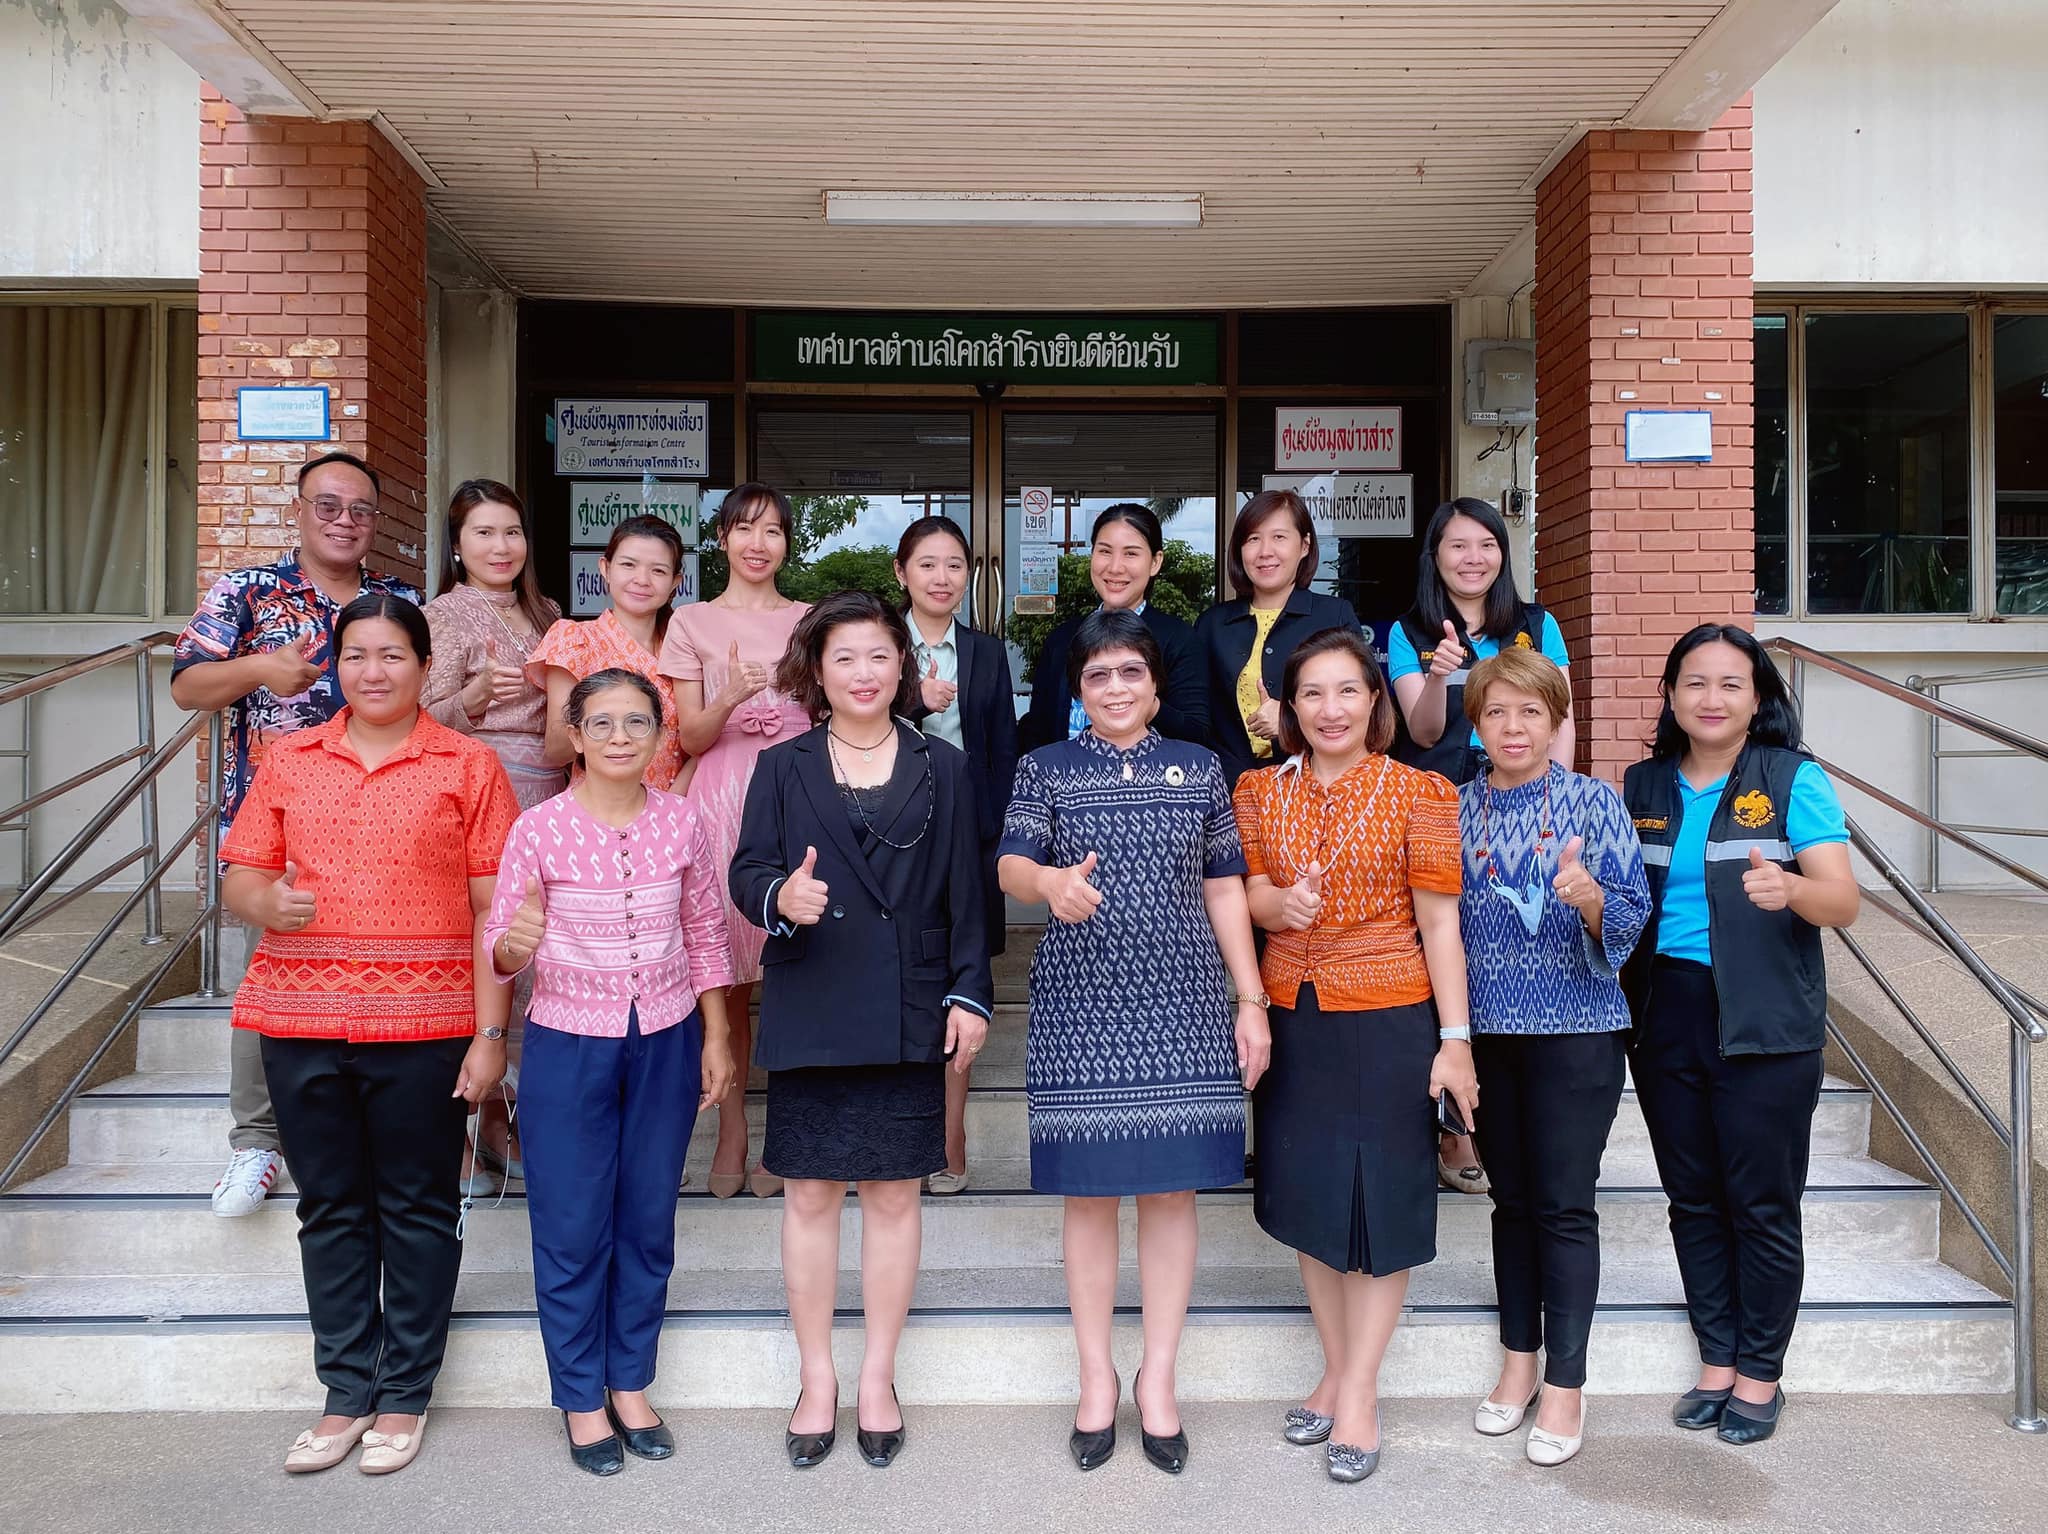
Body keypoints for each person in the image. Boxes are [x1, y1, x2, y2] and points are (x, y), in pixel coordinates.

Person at [220, 593, 518, 1477]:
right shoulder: (289, 757)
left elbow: (490, 914)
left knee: (420, 1209)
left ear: (426, 668)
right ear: (336, 663)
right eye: (356, 655)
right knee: (330, 1208)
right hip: (299, 1017)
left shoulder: (467, 766)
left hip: (427, 1027)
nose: (373, 672)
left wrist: (490, 1036)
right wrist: (262, 900)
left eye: (392, 655)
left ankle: (404, 1395)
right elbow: (242, 875)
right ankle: (346, 1390)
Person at [999, 609, 1270, 1477]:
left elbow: (1226, 888)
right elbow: (1009, 864)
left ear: (1156, 685)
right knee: (1088, 1199)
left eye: (1130, 674)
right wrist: (1046, 881)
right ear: (1078, 691)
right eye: (1097, 676)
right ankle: (1094, 1380)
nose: (1115, 689)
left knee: (1171, 1197)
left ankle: (1158, 1380)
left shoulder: (1200, 771)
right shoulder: (1044, 769)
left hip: (1187, 1001)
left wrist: (1250, 999)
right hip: (1083, 1005)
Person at [729, 592, 993, 1470]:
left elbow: (967, 892)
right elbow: (747, 870)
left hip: (911, 1001)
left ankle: (876, 1376)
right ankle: (816, 1378)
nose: (865, 673)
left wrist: (969, 992)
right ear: (817, 670)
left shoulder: (941, 765)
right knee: (808, 1194)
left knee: (892, 1196)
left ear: (904, 668)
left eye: (881, 656)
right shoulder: (783, 765)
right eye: (845, 658)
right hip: (814, 995)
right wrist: (781, 899)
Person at [1231, 627, 1474, 1484]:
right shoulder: (1258, 789)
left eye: (1347, 691)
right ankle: (1334, 1369)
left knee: (1379, 1207)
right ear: (1288, 709)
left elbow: (1441, 923)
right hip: (1294, 1016)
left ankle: (1361, 1392)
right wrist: (1273, 907)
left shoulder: (1422, 791)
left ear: (1376, 701)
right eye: (1311, 694)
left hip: (1390, 1014)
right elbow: (1246, 890)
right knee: (1310, 1198)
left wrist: (1455, 1041)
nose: (1330, 709)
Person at [484, 668, 737, 1477]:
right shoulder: (538, 829)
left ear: (662, 734)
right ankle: (580, 1398)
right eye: (603, 722)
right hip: (568, 1042)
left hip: (664, 1036)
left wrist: (718, 1035)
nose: (621, 735)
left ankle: (630, 1382)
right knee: (570, 1225)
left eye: (638, 721)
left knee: (646, 1220)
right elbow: (501, 949)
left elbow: (705, 933)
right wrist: (515, 945)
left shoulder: (683, 823)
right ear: (577, 735)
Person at [1621, 624, 1859, 1447]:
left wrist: (1789, 889)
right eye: (1694, 683)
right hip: (1665, 1015)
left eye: (1729, 683)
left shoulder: (1792, 779)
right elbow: (1625, 906)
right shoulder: (1643, 784)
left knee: (1759, 1203)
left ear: (1757, 697)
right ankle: (1715, 1359)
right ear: (1671, 695)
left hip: (1765, 1021)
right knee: (1692, 1197)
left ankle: (1761, 1372)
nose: (1710, 699)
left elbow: (1843, 900)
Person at [169, 450, 421, 1218]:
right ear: (300, 510)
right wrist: (259, 671)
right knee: (268, 976)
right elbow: (186, 684)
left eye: (360, 510)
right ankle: (255, 1143)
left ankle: (355, 1133)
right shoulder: (250, 589)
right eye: (329, 506)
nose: (345, 521)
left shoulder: (398, 596)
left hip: (386, 819)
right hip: (279, 825)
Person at [1455, 649, 1650, 1467]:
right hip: (1487, 1036)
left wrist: (1593, 899)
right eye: (1497, 711)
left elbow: (1633, 920)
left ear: (1555, 720)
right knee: (1511, 1204)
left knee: (1564, 1205)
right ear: (1476, 722)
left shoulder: (1593, 803)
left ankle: (1565, 1386)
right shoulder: (1451, 808)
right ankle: (1518, 1364)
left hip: (1578, 1031)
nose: (1513, 727)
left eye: (1530, 712)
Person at [1387, 496, 1571, 1197]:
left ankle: (1507, 1110)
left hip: (1523, 809)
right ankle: (1455, 1124)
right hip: (1441, 810)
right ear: (1435, 555)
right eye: (1456, 545)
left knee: (1508, 949)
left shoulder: (1535, 625)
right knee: (1443, 947)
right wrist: (1437, 672)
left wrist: (1559, 804)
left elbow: (1560, 720)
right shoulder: (1408, 629)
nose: (1472, 557)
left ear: (1502, 552)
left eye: (1485, 544)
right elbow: (1426, 733)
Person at [661, 483, 812, 1199]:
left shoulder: (811, 620)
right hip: (719, 797)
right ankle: (730, 1127)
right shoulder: (689, 621)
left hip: (799, 796)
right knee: (726, 969)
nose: (759, 543)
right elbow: (688, 734)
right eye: (745, 529)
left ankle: (786, 1128)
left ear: (788, 544)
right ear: (720, 538)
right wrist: (731, 696)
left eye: (774, 531)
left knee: (796, 969)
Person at [421, 478, 566, 1194]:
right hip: (479, 793)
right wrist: (468, 700)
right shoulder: (442, 616)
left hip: (551, 793)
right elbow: (413, 720)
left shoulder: (548, 613)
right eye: (483, 533)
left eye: (511, 531)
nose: (501, 546)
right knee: (485, 951)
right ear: (457, 545)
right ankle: (465, 1133)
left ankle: (511, 1123)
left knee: (537, 962)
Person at [895, 515, 1018, 1195]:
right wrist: (913, 701)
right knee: (902, 971)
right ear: (901, 572)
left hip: (968, 832)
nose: (942, 578)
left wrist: (995, 832)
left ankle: (951, 1131)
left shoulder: (987, 651)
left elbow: (1001, 748)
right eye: (928, 564)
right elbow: (847, 723)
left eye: (954, 566)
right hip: (889, 831)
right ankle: (902, 1127)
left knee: (961, 971)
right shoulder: (878, 645)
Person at [1193, 488, 1362, 786]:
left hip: (1316, 788)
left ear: (1305, 545)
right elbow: (1199, 719)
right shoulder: (1212, 625)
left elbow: (1360, 707)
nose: (1265, 551)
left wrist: (1288, 720)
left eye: (1279, 537)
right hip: (1228, 792)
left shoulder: (1334, 617)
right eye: (1253, 539)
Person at [1017, 503, 1208, 753]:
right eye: (1105, 551)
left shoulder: (1179, 639)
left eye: (1131, 553)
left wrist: (1149, 706)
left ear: (1155, 562)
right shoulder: (1062, 639)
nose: (1115, 567)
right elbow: (1039, 730)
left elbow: (1197, 733)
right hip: (1066, 787)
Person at [528, 515, 687, 792]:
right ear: (606, 568)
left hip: (677, 811)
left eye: (658, 571)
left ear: (675, 582)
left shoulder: (686, 646)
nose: (642, 580)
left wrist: (672, 807)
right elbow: (558, 749)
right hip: (599, 814)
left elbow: (700, 742)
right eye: (628, 565)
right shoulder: (575, 639)